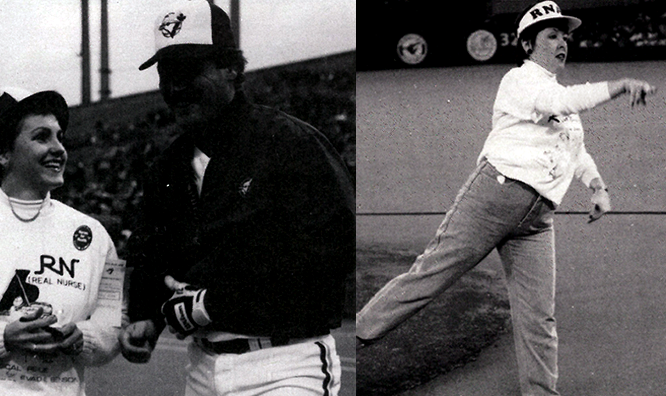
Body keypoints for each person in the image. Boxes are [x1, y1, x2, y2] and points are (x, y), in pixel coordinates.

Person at [355, 2, 656, 395]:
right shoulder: (520, 81)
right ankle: (356, 333)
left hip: (536, 221)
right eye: (552, 35)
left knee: (539, 317)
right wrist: (618, 86)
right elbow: (561, 104)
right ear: (529, 45)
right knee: (430, 276)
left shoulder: (558, 95)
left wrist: (597, 186)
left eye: (565, 35)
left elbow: (574, 148)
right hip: (493, 197)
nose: (562, 42)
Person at [118, 1, 356, 395]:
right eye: (166, 74)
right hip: (202, 367)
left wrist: (217, 303)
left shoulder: (289, 142)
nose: (175, 88)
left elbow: (334, 248)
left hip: (285, 363)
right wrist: (147, 318)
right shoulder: (167, 166)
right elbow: (151, 252)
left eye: (189, 71)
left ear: (232, 68)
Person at [0, 87, 123, 396]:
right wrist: (2, 337)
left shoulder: (97, 236)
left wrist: (84, 337)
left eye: (59, 136)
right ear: (3, 153)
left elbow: (114, 323)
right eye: (41, 137)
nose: (58, 148)